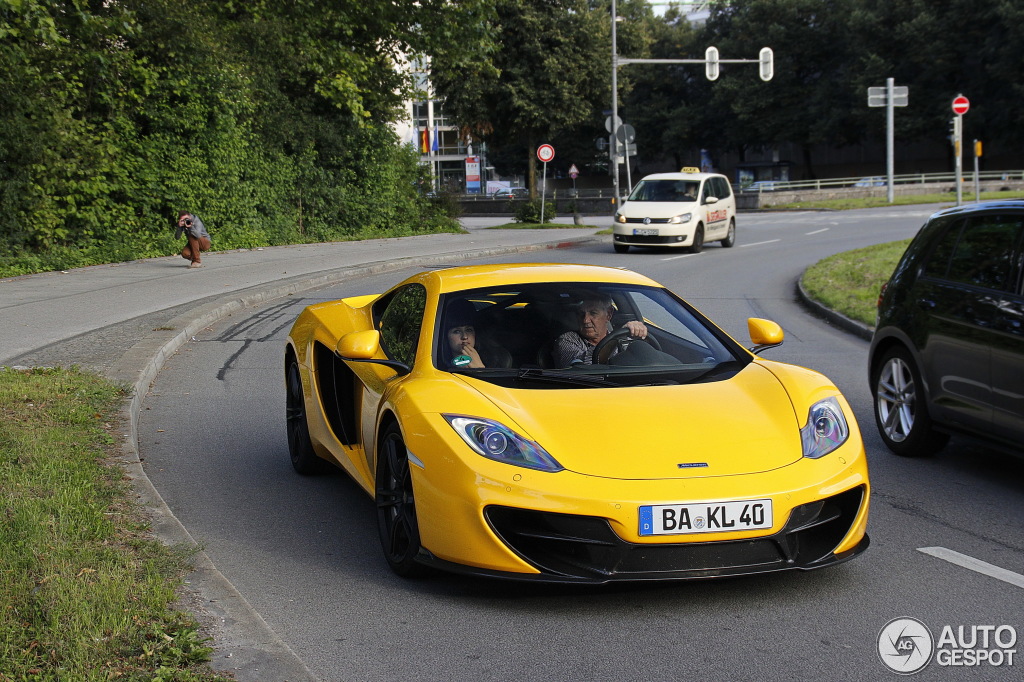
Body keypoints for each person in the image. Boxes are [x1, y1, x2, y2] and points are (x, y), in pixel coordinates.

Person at [552, 293, 647, 367]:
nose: (585, 320)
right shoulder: (567, 340)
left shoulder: (625, 339)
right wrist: (615, 340)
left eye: (593, 313)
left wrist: (639, 332)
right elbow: (582, 368)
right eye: (581, 314)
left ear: (609, 314)